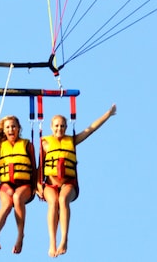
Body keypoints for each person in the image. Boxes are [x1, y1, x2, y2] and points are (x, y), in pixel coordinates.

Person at [37, 104, 116, 257]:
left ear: (66, 127)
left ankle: (64, 239)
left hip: (68, 183)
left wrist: (108, 114)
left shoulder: (72, 140)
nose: (59, 128)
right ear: (51, 127)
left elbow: (90, 129)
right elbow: (39, 166)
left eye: (62, 126)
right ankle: (52, 242)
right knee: (53, 203)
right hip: (50, 183)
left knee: (63, 199)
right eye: (56, 126)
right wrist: (38, 185)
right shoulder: (45, 143)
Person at [0, 115, 36, 254]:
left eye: (14, 126)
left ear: (19, 129)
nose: (11, 129)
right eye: (8, 127)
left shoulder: (27, 145)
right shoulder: (0, 147)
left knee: (17, 198)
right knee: (6, 204)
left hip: (25, 185)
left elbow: (34, 168)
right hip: (6, 185)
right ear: (3, 130)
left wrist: (37, 186)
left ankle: (20, 236)